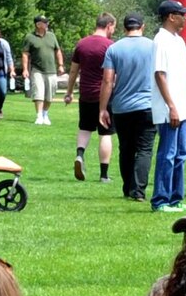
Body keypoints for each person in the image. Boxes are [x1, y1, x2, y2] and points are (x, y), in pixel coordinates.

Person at [100, 14, 158, 202]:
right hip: (148, 105)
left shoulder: (113, 49)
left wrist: (102, 108)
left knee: (126, 149)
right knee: (144, 149)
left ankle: (127, 188)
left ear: (123, 28)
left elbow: (108, 80)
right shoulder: (153, 46)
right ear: (143, 25)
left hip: (122, 107)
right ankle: (138, 190)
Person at [150, 0, 186, 213]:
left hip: (182, 107)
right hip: (169, 109)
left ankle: (177, 197)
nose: (185, 17)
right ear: (171, 16)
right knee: (167, 153)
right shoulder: (161, 40)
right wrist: (172, 106)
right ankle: (160, 199)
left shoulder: (178, 41)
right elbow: (160, 74)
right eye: (181, 14)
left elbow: (182, 76)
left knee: (181, 154)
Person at [67, 13, 115, 183]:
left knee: (85, 128)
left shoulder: (82, 44)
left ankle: (80, 155)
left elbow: (73, 70)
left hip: (86, 94)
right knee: (105, 133)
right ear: (109, 25)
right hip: (104, 95)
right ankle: (103, 174)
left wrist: (69, 91)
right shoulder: (110, 46)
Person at [22, 15, 63, 127]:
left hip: (51, 70)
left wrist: (60, 65)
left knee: (49, 95)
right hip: (37, 70)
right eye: (45, 22)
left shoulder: (52, 36)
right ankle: (39, 116)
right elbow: (25, 54)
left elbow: (58, 51)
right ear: (38, 24)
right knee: (39, 94)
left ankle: (45, 114)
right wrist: (25, 69)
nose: (47, 24)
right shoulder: (29, 37)